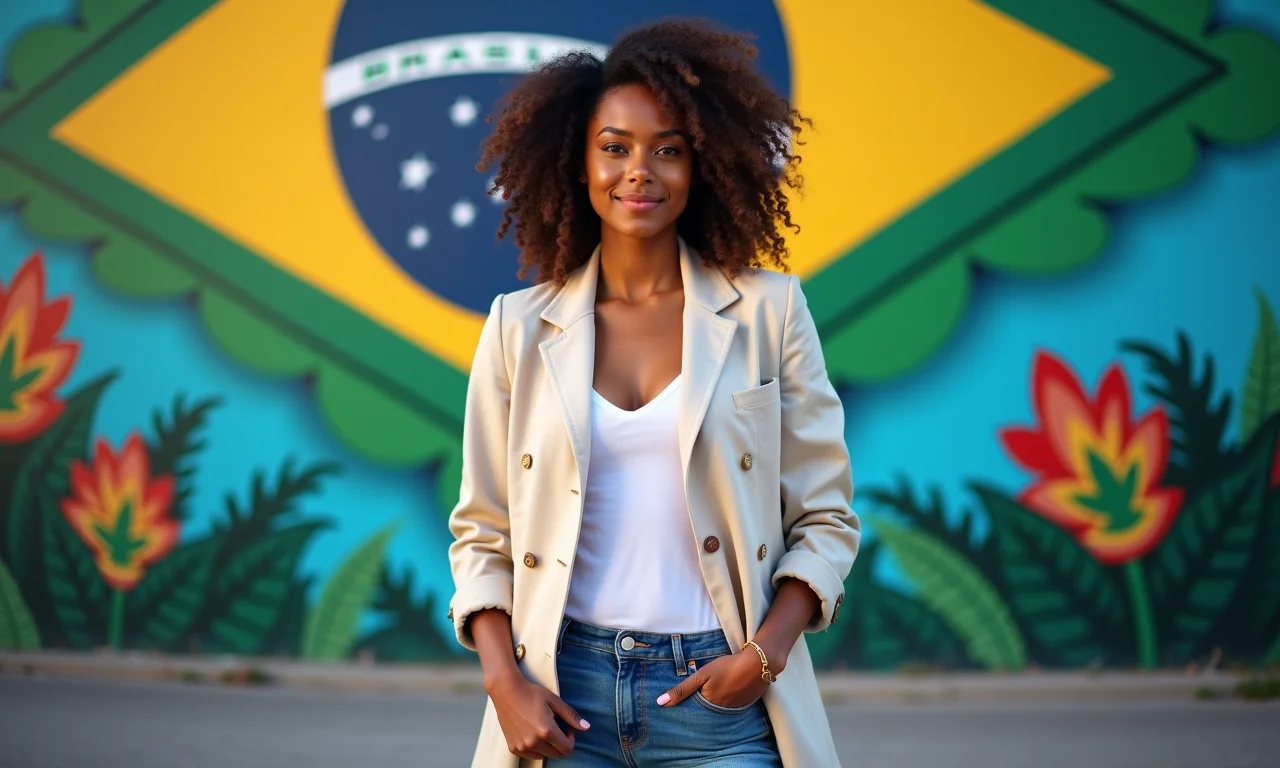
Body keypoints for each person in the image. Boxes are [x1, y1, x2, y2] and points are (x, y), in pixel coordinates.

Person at [448, 17, 860, 767]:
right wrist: (503, 681)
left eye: (667, 150)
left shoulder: (768, 312)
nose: (639, 170)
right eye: (615, 148)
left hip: (723, 698)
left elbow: (826, 518)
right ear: (579, 162)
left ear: (700, 165)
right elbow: (483, 530)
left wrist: (761, 658)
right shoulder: (518, 327)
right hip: (561, 698)